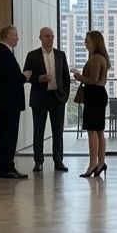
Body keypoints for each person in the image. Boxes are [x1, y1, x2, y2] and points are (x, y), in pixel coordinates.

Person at [23, 27, 71, 173]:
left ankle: (59, 161)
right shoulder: (32, 55)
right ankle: (38, 161)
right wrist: (39, 79)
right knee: (38, 131)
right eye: (47, 36)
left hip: (57, 98)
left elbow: (66, 78)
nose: (50, 38)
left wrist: (64, 96)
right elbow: (26, 76)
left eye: (52, 36)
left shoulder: (60, 55)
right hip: (39, 99)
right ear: (40, 38)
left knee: (58, 132)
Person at [0, 25, 31, 179]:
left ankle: (4, 167)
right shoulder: (4, 54)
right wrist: (24, 76)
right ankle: (6, 168)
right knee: (8, 136)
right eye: (15, 35)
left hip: (3, 102)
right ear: (7, 36)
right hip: (9, 103)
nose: (17, 38)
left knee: (2, 135)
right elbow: (12, 78)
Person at [72, 30, 109, 178]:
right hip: (98, 94)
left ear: (95, 42)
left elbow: (93, 80)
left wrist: (78, 76)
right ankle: (100, 163)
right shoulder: (101, 57)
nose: (85, 44)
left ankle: (93, 164)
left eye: (87, 41)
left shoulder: (95, 58)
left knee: (92, 131)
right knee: (99, 131)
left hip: (94, 95)